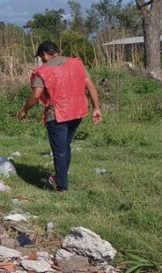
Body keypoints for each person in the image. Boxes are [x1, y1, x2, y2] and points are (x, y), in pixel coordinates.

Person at [18, 41, 101, 192]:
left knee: (59, 151)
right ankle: (60, 177)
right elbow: (91, 86)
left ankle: (61, 186)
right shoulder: (77, 63)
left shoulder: (43, 71)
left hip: (57, 115)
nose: (41, 60)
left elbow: (35, 96)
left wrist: (24, 110)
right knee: (65, 146)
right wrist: (96, 108)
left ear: (44, 54)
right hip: (77, 112)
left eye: (41, 57)